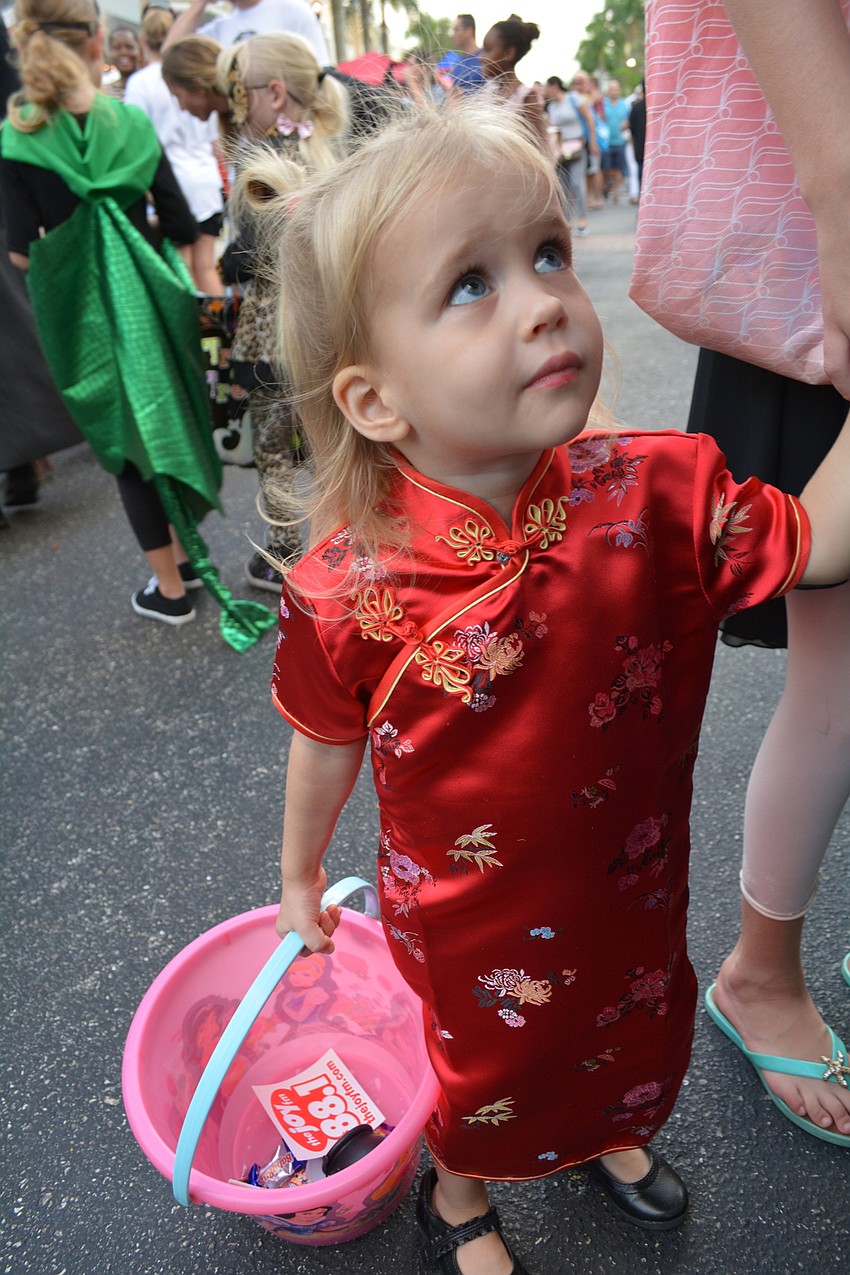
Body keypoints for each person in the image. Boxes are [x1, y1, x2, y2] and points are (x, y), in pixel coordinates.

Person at [234, 102, 850, 1271]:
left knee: (625, 1013)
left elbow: (815, 541)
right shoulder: (347, 582)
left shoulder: (663, 493)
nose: (543, 301)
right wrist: (298, 874)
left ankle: (607, 1130)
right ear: (374, 400)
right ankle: (461, 1192)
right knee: (486, 1060)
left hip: (629, 873)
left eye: (549, 252)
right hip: (468, 916)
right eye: (471, 283)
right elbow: (324, 739)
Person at [673, 0, 850, 1146]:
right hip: (821, 282)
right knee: (838, 687)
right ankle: (759, 972)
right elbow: (797, 549)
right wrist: (842, 208)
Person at [0, 0, 222, 626]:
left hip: (82, 318)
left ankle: (169, 590)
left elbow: (21, 253)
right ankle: (186, 558)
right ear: (98, 42)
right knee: (167, 419)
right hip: (150, 303)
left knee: (124, 445)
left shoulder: (17, 138)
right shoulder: (129, 123)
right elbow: (179, 222)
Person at [125, 2, 224, 295]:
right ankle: (222, 336)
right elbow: (216, 139)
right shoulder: (194, 73)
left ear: (143, 40)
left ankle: (190, 338)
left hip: (173, 186)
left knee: (181, 271)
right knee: (206, 268)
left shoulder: (140, 83)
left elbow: (136, 140)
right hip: (207, 182)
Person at [162, 0, 327, 64]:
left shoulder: (291, 9)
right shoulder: (222, 27)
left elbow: (321, 70)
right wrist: (199, 4)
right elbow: (170, 52)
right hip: (244, 137)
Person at [480, 14, 549, 150]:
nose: (481, 57)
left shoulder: (527, 98)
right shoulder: (488, 91)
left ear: (509, 53)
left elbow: (539, 152)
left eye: (488, 50)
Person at [543, 74, 597, 236]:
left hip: (577, 146)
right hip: (559, 150)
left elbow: (589, 120)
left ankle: (582, 219)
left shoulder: (573, 98)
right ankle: (567, 220)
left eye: (547, 88)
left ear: (554, 86)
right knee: (562, 187)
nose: (546, 92)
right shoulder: (551, 107)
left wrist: (593, 142)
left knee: (576, 183)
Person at [436, 13, 485, 97]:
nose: (452, 35)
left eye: (456, 30)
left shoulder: (484, 59)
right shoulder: (458, 62)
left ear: (468, 31)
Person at [601, 78, 629, 203]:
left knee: (618, 168)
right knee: (606, 168)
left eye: (616, 89)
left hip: (619, 141)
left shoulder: (624, 105)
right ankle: (606, 186)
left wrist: (625, 124)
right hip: (605, 142)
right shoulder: (603, 104)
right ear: (608, 91)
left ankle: (616, 191)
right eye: (612, 89)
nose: (614, 91)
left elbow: (628, 119)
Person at [102, 23, 140, 100]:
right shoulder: (105, 90)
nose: (123, 52)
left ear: (139, 50)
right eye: (117, 48)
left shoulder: (147, 87)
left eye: (129, 47)